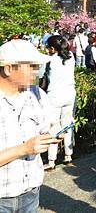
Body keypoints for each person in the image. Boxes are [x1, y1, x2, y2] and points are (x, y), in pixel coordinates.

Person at [0, 39, 61, 212]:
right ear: (9, 68)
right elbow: (28, 147)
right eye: (32, 66)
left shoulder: (36, 94)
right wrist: (24, 149)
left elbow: (48, 126)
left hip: (31, 192)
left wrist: (54, 134)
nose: (37, 71)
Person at [43, 35, 76, 170]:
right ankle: (68, 155)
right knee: (67, 125)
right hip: (70, 94)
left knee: (53, 127)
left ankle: (51, 160)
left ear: (52, 48)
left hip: (54, 96)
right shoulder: (71, 58)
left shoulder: (49, 60)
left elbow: (42, 78)